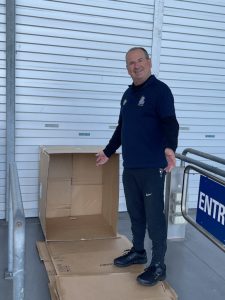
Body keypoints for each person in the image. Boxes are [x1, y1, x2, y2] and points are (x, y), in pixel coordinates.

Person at [96, 47, 179, 286]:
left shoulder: (161, 91)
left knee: (154, 218)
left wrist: (169, 147)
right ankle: (139, 252)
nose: (136, 65)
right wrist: (108, 152)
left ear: (149, 62)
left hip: (152, 168)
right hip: (130, 167)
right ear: (127, 68)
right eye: (131, 63)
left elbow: (170, 122)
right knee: (136, 214)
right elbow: (122, 129)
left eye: (140, 60)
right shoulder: (127, 95)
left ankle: (158, 265)